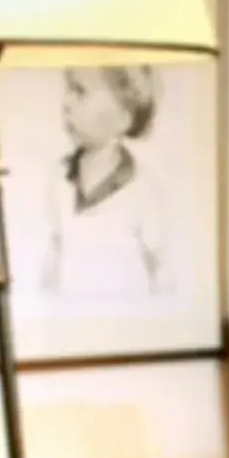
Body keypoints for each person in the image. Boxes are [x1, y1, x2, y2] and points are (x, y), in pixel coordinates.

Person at [41, 66, 170, 300]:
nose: (66, 103)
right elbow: (53, 253)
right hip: (68, 313)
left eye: (80, 92)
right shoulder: (59, 176)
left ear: (123, 118)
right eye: (68, 90)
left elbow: (162, 271)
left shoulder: (143, 186)